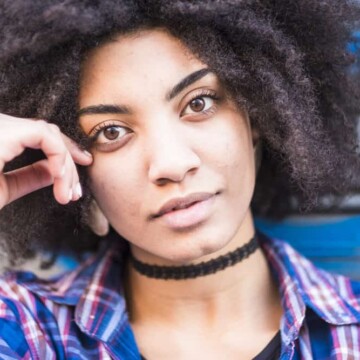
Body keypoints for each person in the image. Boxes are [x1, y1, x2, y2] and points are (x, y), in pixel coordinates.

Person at [0, 1, 360, 359]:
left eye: (199, 103)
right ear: (78, 173)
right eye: (110, 132)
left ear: (255, 120)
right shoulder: (25, 325)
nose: (172, 164)